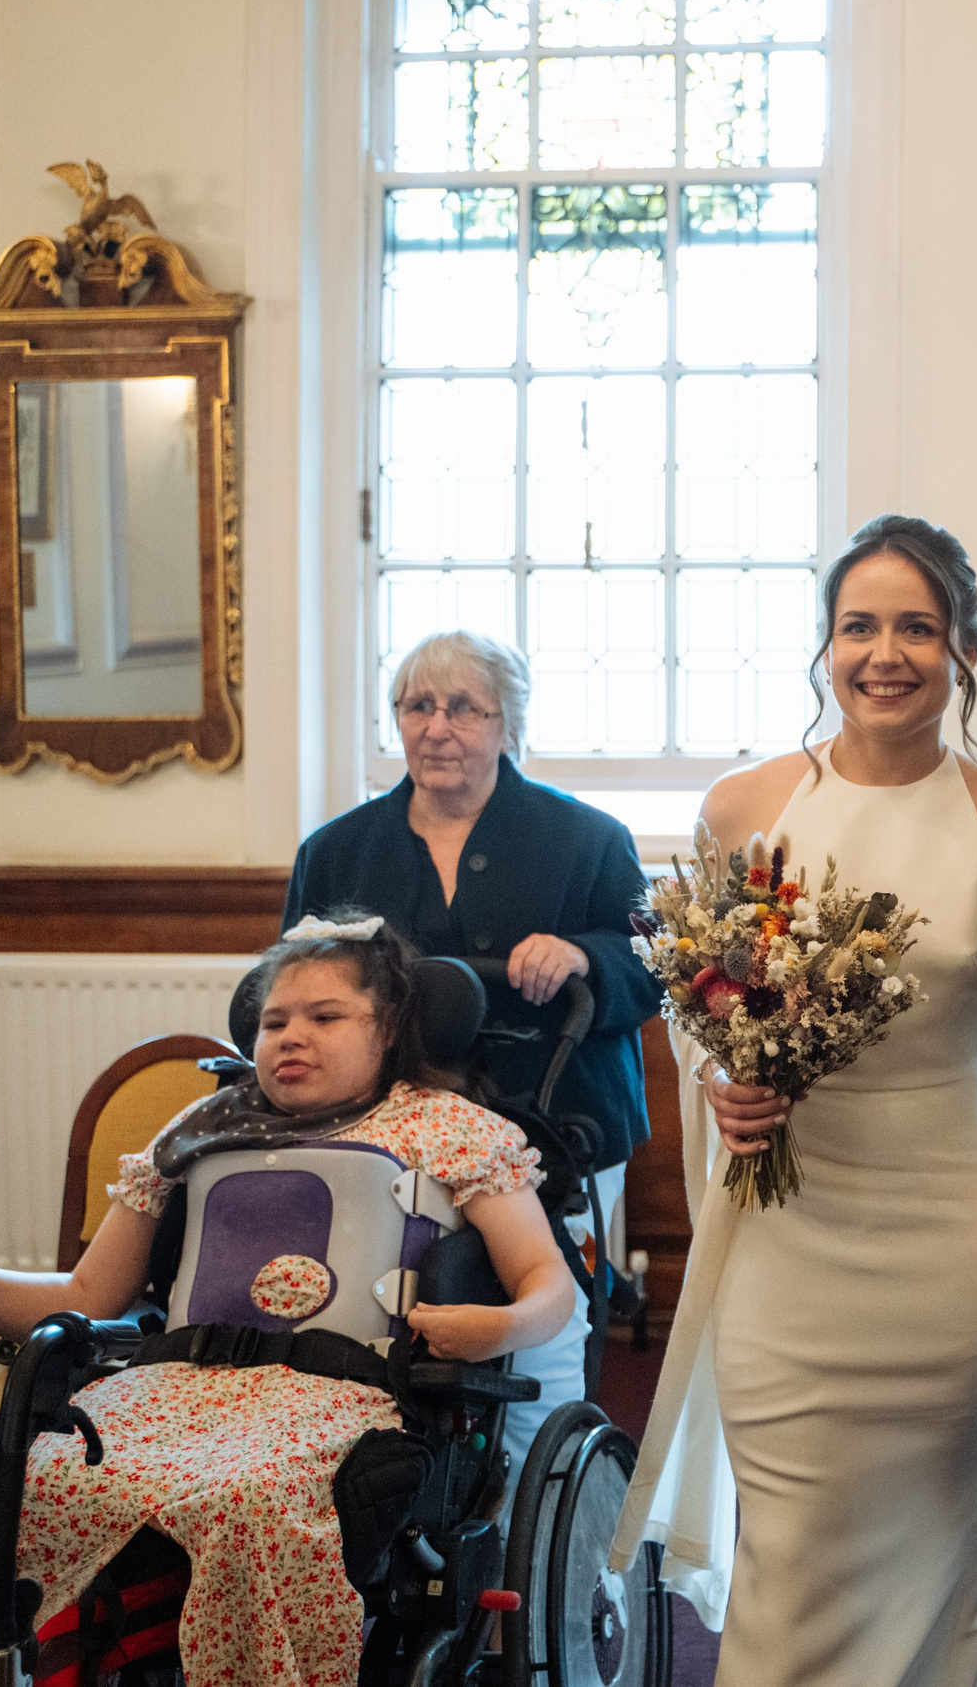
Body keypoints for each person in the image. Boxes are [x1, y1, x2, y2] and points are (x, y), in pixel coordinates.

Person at [615, 515, 977, 1686]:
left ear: (965, 650)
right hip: (788, 1234)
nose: (887, 654)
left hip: (946, 1231)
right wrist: (726, 1079)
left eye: (918, 628)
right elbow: (698, 995)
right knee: (790, 1545)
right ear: (825, 648)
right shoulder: (745, 808)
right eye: (860, 626)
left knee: (934, 1536)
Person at [0, 915, 573, 1686]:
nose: (290, 1036)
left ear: (391, 1028)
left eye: (325, 1016)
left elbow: (548, 1281)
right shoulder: (199, 1129)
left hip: (339, 1398)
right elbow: (85, 1294)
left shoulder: (449, 1129)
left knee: (250, 1499)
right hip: (168, 1390)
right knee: (32, 1476)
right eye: (274, 1021)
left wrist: (497, 1325)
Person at [283, 629, 660, 1467]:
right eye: (418, 706)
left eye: (463, 707)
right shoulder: (337, 851)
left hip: (558, 1125)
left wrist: (581, 954)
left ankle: (539, 1492)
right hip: (385, 1134)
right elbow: (288, 986)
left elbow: (652, 969)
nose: (438, 727)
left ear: (507, 725)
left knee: (542, 1325)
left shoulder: (589, 838)